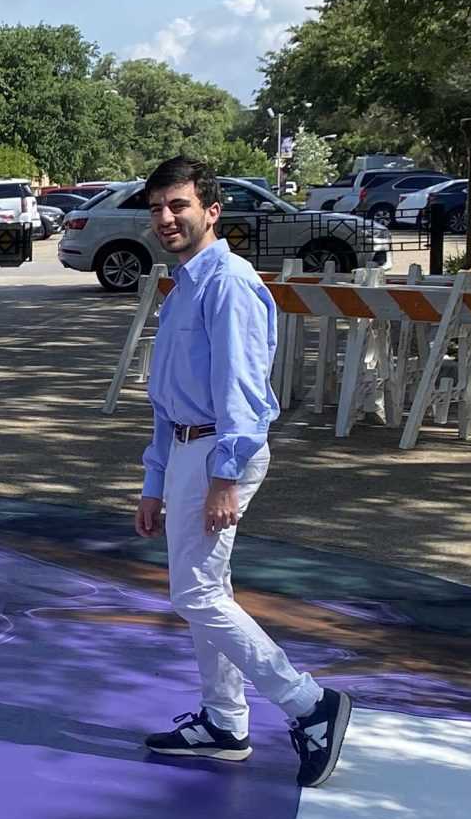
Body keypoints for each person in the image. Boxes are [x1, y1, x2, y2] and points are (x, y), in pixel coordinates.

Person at [133, 155, 351, 787]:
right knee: (210, 591)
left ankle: (310, 705)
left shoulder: (227, 283)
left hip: (216, 453)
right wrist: (154, 482)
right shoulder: (184, 285)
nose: (166, 218)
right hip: (185, 450)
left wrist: (225, 477)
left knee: (195, 592)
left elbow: (244, 394)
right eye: (156, 208)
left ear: (211, 210)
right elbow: (165, 397)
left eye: (178, 206)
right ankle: (225, 720)